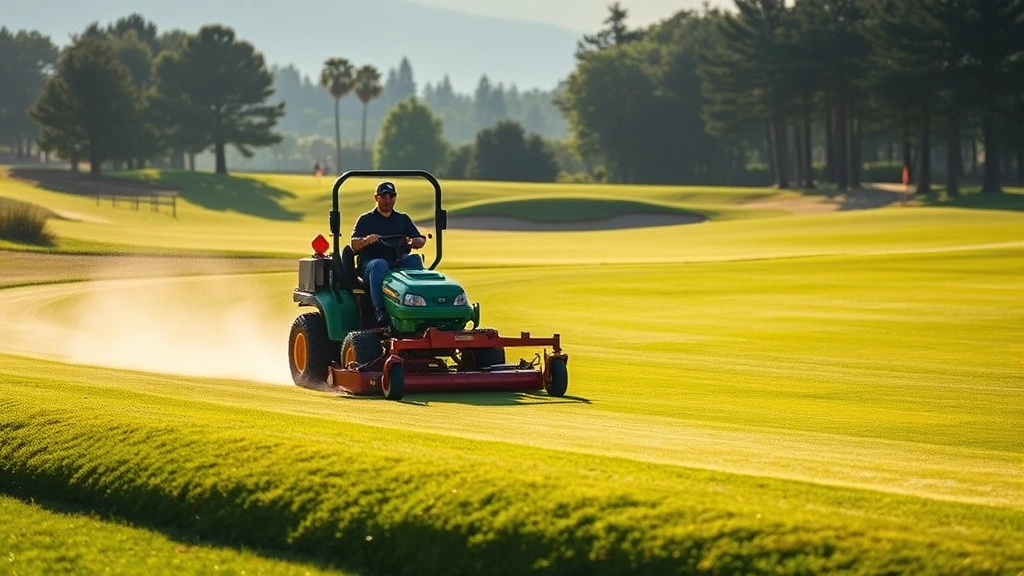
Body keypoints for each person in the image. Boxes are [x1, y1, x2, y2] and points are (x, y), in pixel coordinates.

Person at [350, 181, 427, 327]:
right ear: (376, 198)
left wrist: (417, 241)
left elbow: (419, 239)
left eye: (391, 196)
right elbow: (354, 243)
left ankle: (418, 307)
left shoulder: (402, 219)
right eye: (383, 196)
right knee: (380, 264)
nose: (388, 200)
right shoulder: (366, 220)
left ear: (395, 197)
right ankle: (380, 311)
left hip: (397, 262)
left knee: (414, 260)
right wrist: (367, 240)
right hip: (371, 266)